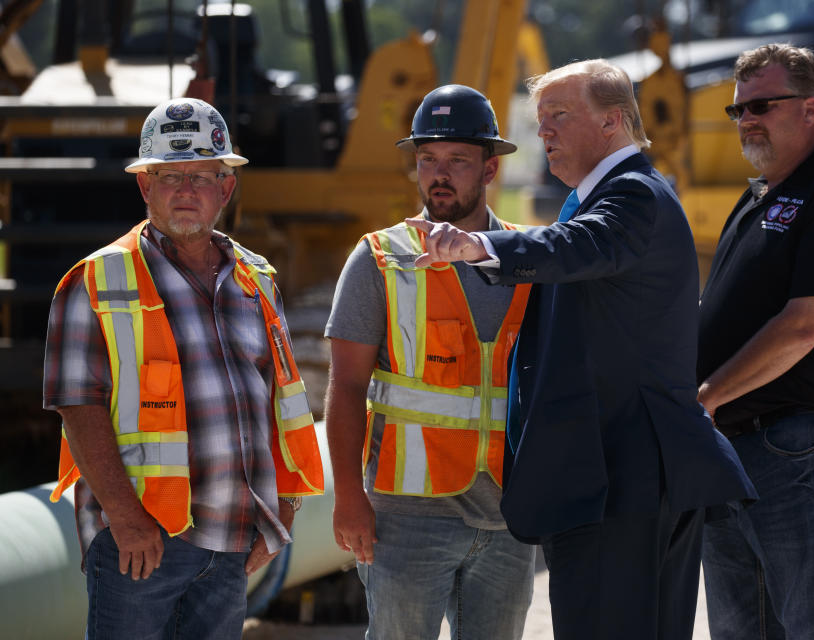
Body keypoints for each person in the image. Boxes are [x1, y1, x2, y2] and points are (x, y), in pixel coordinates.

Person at [406, 60, 756, 640]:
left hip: (622, 484)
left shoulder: (633, 196)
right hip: (617, 481)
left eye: (560, 117)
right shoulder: (605, 198)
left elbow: (575, 246)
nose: (543, 132)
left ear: (613, 122)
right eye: (541, 120)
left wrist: (479, 245)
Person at [44, 98, 325, 639]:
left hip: (233, 540)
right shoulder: (97, 281)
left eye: (201, 176)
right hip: (141, 546)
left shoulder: (256, 278)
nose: (185, 191)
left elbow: (281, 403)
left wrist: (282, 511)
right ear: (145, 187)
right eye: (170, 176)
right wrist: (126, 521)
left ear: (226, 188)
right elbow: (77, 407)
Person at [324, 84, 536, 640]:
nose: (438, 174)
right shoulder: (380, 258)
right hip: (406, 517)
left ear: (490, 170)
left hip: (508, 518)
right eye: (427, 160)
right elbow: (345, 387)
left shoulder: (528, 257)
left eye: (457, 161)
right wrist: (348, 497)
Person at [696, 44, 814, 639]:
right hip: (731, 447)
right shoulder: (761, 196)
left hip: (797, 446)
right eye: (738, 111)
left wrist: (704, 395)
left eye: (761, 105)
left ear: (810, 109)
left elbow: (806, 324)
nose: (746, 120)